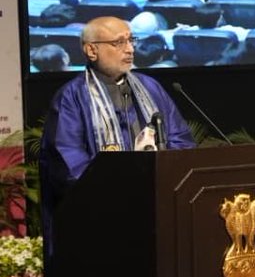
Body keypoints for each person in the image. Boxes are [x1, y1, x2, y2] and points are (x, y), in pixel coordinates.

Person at [39, 16, 196, 246]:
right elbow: (68, 165)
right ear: (91, 50)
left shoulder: (150, 88)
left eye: (131, 40)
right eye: (119, 42)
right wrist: (125, 190)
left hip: (159, 209)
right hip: (100, 219)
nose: (130, 49)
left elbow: (181, 141)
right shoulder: (72, 98)